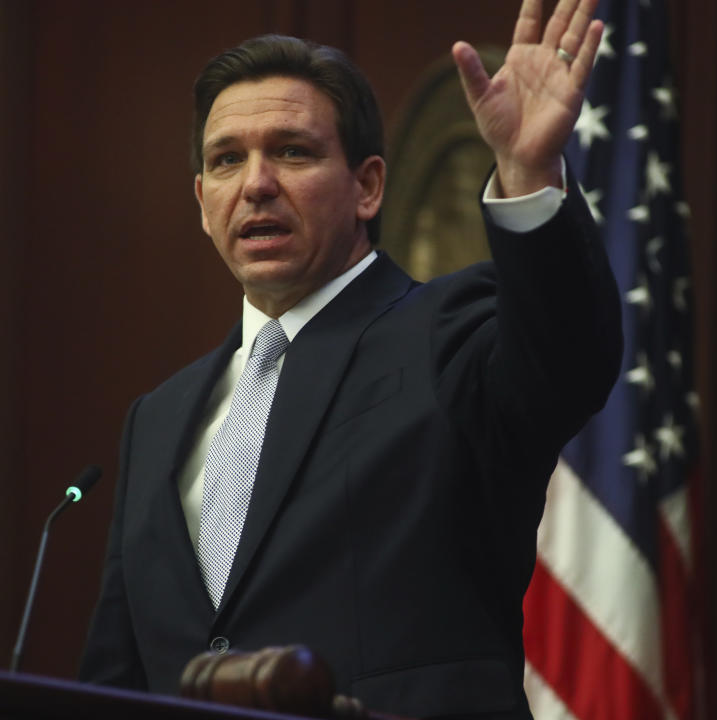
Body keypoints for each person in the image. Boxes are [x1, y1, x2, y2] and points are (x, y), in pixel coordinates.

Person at [79, 0, 622, 717]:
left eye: (293, 151)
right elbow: (116, 676)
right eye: (226, 160)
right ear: (202, 201)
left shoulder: (447, 336)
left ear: (368, 186)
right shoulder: (158, 418)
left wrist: (528, 170)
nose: (256, 183)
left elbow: (567, 361)